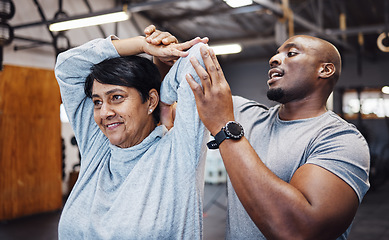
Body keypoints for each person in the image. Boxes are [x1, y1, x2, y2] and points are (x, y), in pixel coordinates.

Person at [185, 35, 370, 239]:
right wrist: (160, 59)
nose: (274, 59)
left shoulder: (341, 139)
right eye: (276, 54)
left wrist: (224, 127)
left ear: (324, 70)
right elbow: (168, 101)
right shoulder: (245, 114)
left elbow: (298, 231)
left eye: (291, 53)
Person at [54, 25, 209, 239]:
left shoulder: (177, 153)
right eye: (97, 101)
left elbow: (198, 55)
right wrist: (141, 44)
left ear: (150, 100)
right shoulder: (97, 148)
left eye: (116, 97)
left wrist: (164, 103)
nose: (104, 112)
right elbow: (67, 66)